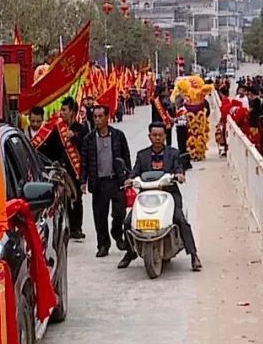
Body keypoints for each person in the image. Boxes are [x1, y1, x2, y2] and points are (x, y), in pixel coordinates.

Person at [119, 123, 202, 271]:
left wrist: (179, 175)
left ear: (165, 136)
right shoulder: (142, 155)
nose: (157, 138)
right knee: (127, 222)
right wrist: (129, 179)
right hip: (146, 195)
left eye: (160, 135)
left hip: (169, 194)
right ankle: (130, 252)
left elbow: (178, 168)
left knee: (180, 220)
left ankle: (193, 255)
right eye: (154, 135)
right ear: (149, 136)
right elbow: (135, 171)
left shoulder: (173, 153)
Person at [80, 104, 131, 258]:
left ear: (107, 117)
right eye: (95, 117)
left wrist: (128, 175)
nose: (98, 120)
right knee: (100, 216)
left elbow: (126, 156)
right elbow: (84, 162)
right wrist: (83, 181)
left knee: (119, 213)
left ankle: (117, 233)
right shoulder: (88, 139)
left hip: (116, 181)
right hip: (99, 183)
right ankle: (103, 245)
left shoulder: (118, 135)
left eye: (101, 116)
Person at [60, 97, 88, 241]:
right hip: (62, 171)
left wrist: (74, 137)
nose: (62, 113)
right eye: (61, 110)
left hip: (76, 170)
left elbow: (85, 145)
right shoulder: (60, 128)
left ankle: (77, 228)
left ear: (72, 111)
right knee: (63, 200)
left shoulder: (81, 128)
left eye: (65, 110)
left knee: (76, 199)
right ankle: (67, 227)